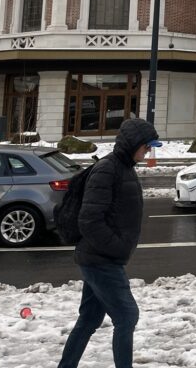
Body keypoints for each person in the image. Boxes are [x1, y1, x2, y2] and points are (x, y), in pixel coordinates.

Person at [58, 117, 161, 368]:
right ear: (133, 143)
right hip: (100, 259)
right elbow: (89, 220)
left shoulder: (123, 167)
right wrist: (118, 247)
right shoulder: (108, 170)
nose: (148, 151)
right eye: (146, 146)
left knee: (89, 319)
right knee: (127, 316)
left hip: (99, 257)